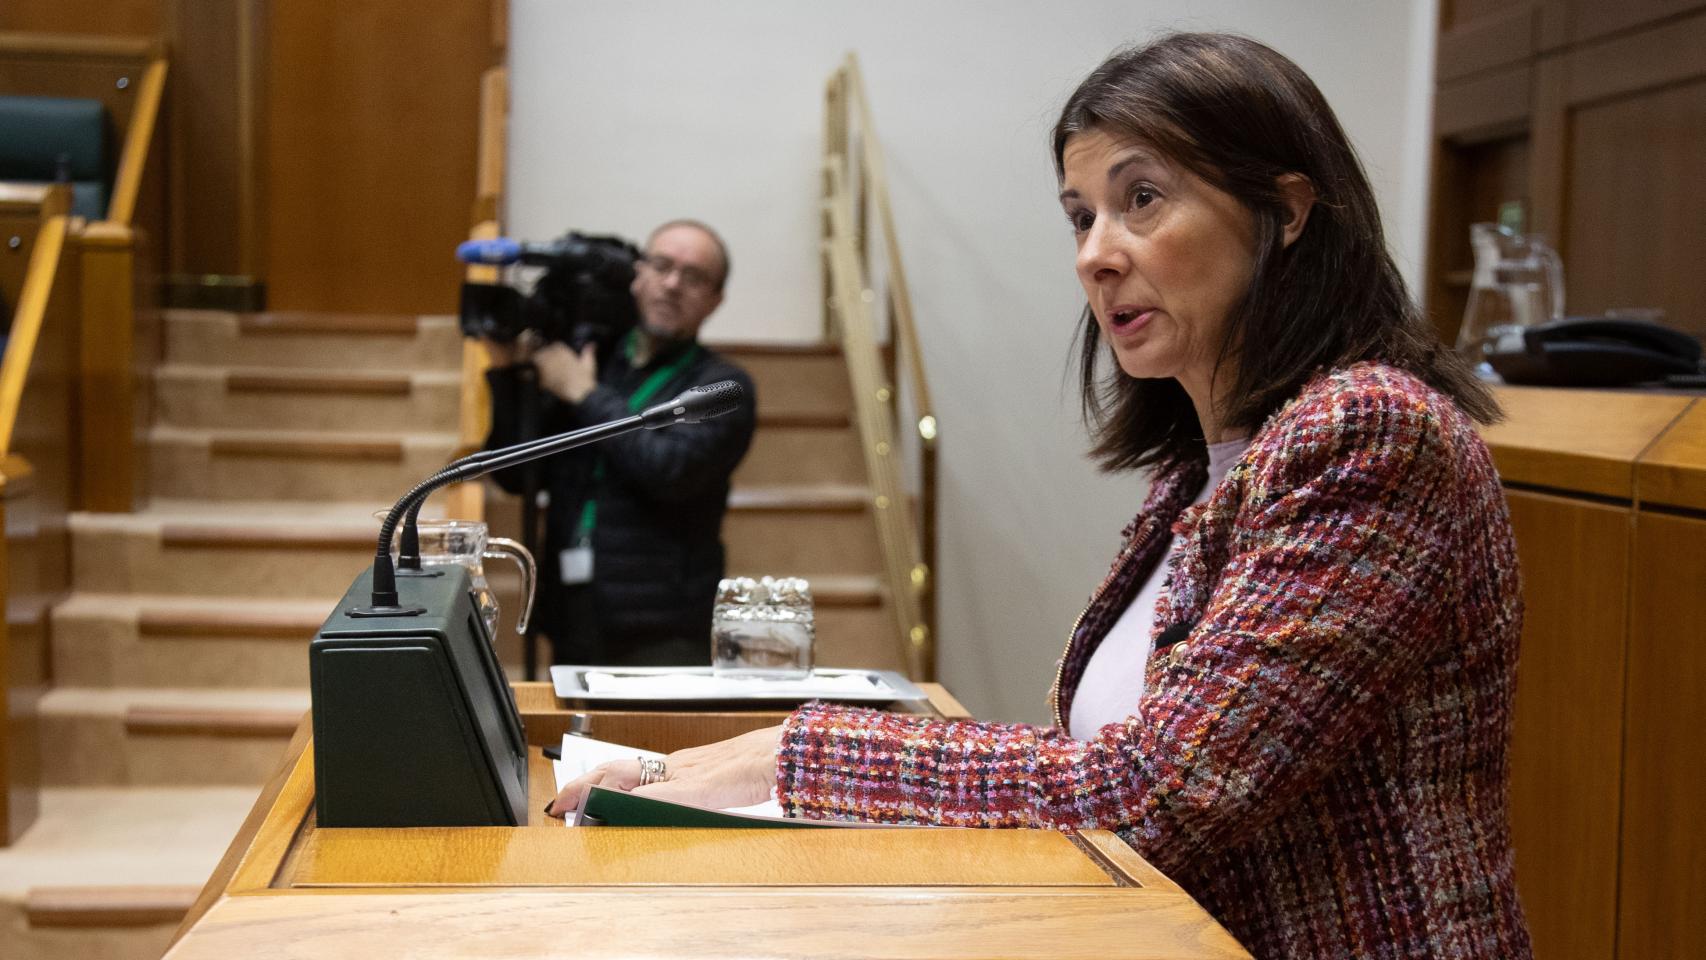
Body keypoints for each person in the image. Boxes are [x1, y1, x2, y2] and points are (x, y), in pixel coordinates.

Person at [548, 34, 1533, 959]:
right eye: (1079, 215)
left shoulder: (1369, 434)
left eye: (1139, 198)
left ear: (1282, 210)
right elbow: (1099, 756)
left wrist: (792, 756)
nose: (1094, 253)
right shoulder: (1201, 467)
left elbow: (1155, 791)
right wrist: (765, 757)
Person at [483, 219, 757, 666]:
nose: (671, 284)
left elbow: (670, 469)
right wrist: (506, 375)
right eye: (662, 265)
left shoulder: (723, 387)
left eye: (693, 277)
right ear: (639, 273)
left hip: (665, 627)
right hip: (572, 613)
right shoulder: (596, 359)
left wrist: (584, 395)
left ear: (715, 300)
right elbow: (515, 474)